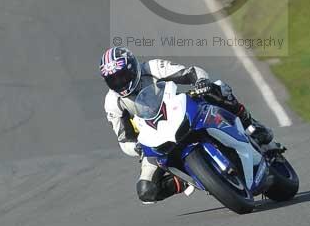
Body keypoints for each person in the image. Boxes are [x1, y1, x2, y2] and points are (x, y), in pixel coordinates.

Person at [100, 46, 274, 204]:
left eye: (122, 76)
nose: (120, 83)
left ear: (133, 68)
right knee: (146, 191)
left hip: (178, 110)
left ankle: (250, 123)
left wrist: (200, 82)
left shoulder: (152, 68)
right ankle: (186, 179)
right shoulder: (113, 102)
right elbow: (124, 139)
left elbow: (190, 72)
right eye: (113, 80)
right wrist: (137, 147)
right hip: (153, 138)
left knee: (217, 88)